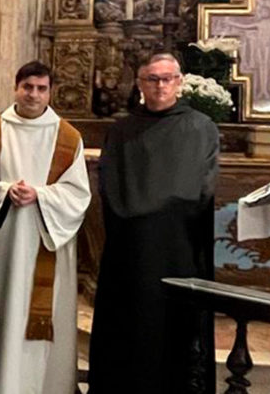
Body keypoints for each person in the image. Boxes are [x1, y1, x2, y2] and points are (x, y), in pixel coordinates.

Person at [88, 53, 219, 393]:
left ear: (179, 82)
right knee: (128, 334)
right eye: (152, 79)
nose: (160, 85)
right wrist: (138, 216)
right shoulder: (121, 130)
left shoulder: (201, 127)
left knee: (173, 337)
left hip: (179, 250)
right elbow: (109, 185)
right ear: (140, 84)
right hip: (130, 252)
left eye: (167, 78)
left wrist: (162, 214)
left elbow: (202, 188)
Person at [0, 61, 91, 394]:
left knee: (35, 314)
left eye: (41, 88)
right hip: (2, 242)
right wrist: (3, 191)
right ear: (15, 87)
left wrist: (40, 196)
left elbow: (78, 194)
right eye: (27, 87)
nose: (33, 94)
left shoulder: (67, 136)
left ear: (50, 91)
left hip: (46, 241)